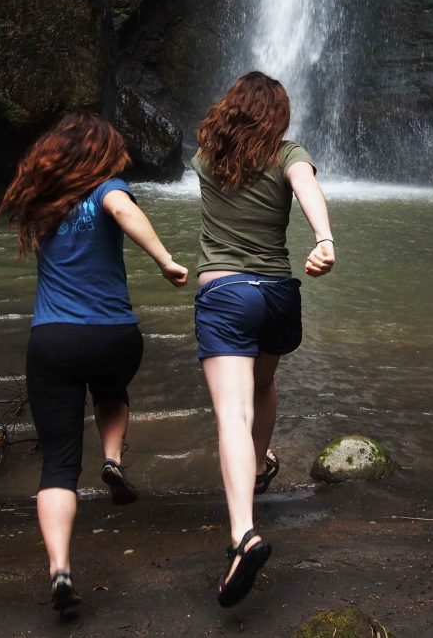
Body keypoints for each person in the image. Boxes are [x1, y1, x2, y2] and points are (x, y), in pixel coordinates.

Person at [0, 110, 188, 613]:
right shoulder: (109, 189)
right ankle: (113, 459)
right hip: (114, 336)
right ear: (104, 152)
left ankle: (60, 568)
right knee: (111, 391)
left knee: (58, 464)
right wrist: (165, 259)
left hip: (54, 339)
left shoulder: (39, 201)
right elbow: (125, 212)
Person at [191, 72, 335, 608]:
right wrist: (323, 239)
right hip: (276, 292)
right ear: (278, 115)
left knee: (231, 412)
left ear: (230, 108)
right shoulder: (287, 152)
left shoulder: (206, 156)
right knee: (264, 383)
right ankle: (256, 466)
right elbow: (306, 186)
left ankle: (243, 533)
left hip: (226, 291)